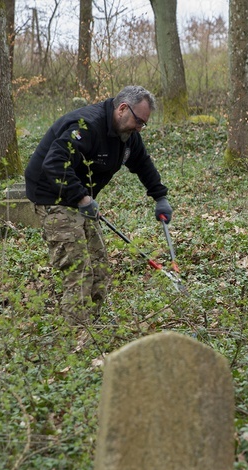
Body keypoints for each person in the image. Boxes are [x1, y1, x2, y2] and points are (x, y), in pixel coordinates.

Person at [25, 86, 172, 327]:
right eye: (138, 121)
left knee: (99, 267)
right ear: (122, 108)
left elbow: (142, 163)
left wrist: (160, 197)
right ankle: (77, 334)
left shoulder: (128, 136)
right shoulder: (86, 126)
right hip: (52, 195)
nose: (139, 128)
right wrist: (82, 198)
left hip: (81, 196)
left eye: (143, 124)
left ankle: (92, 325)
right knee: (78, 269)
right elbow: (54, 164)